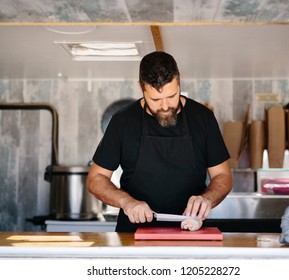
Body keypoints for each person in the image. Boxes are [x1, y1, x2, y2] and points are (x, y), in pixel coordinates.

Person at [86, 51, 233, 232]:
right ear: (141, 88)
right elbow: (95, 179)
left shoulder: (203, 118)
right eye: (155, 99)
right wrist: (127, 202)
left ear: (179, 82)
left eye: (172, 96)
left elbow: (223, 176)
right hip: (134, 234)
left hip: (191, 231)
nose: (165, 106)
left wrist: (207, 199)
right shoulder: (122, 121)